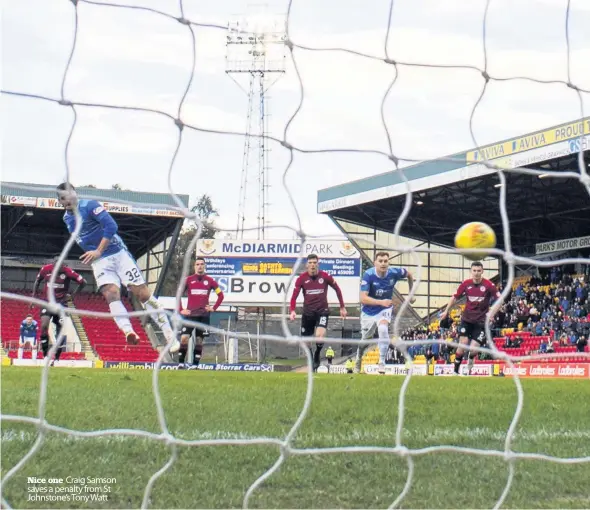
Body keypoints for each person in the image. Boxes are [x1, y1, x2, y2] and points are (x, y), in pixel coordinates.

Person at [56, 183, 179, 353]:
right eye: (63, 198)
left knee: (143, 295)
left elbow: (112, 226)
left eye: (69, 195)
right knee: (110, 294)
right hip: (99, 261)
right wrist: (93, 254)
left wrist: (98, 250)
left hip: (118, 254)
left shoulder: (90, 205)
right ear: (60, 202)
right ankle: (128, 331)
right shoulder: (67, 219)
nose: (67, 200)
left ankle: (169, 336)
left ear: (75, 194)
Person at [356, 251, 415, 375]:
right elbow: (362, 298)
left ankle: (381, 363)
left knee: (383, 329)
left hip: (384, 309)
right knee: (365, 340)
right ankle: (358, 358)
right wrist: (380, 302)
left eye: (385, 261)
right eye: (380, 261)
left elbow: (409, 274)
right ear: (375, 263)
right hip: (368, 311)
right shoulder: (368, 275)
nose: (383, 263)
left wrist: (411, 293)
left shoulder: (394, 272)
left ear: (388, 262)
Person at [440, 261, 501, 376]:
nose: (476, 273)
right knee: (462, 344)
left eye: (479, 271)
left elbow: (500, 300)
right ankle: (455, 371)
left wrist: (491, 313)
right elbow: (454, 297)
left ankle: (471, 358)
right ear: (471, 272)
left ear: (482, 271)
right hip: (466, 320)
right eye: (474, 271)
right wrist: (446, 311)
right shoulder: (466, 284)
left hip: (481, 322)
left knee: (473, 349)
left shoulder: (489, 285)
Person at [289, 254, 347, 372]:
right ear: (306, 265)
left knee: (320, 335)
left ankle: (317, 354)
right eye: (310, 263)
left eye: (314, 263)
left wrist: (342, 307)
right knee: (306, 341)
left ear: (318, 264)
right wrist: (292, 310)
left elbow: (337, 289)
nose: (312, 265)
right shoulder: (301, 279)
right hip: (308, 313)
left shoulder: (325, 276)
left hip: (322, 311)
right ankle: (310, 357)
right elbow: (294, 296)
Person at [30, 256, 86, 362]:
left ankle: (57, 357)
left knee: (60, 331)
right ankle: (46, 355)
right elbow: (37, 281)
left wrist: (73, 296)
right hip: (47, 302)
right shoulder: (45, 269)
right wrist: (33, 298)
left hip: (61, 304)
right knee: (44, 326)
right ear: (53, 264)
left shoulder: (68, 272)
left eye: (61, 265)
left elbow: (83, 282)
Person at [177, 257, 224, 369]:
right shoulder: (188, 280)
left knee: (199, 341)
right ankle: (180, 363)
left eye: (202, 264)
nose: (200, 266)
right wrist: (181, 309)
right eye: (197, 264)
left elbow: (221, 295)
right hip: (190, 316)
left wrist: (214, 308)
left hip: (203, 316)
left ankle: (195, 365)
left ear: (204, 266)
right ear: (194, 266)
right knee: (184, 338)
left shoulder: (210, 281)